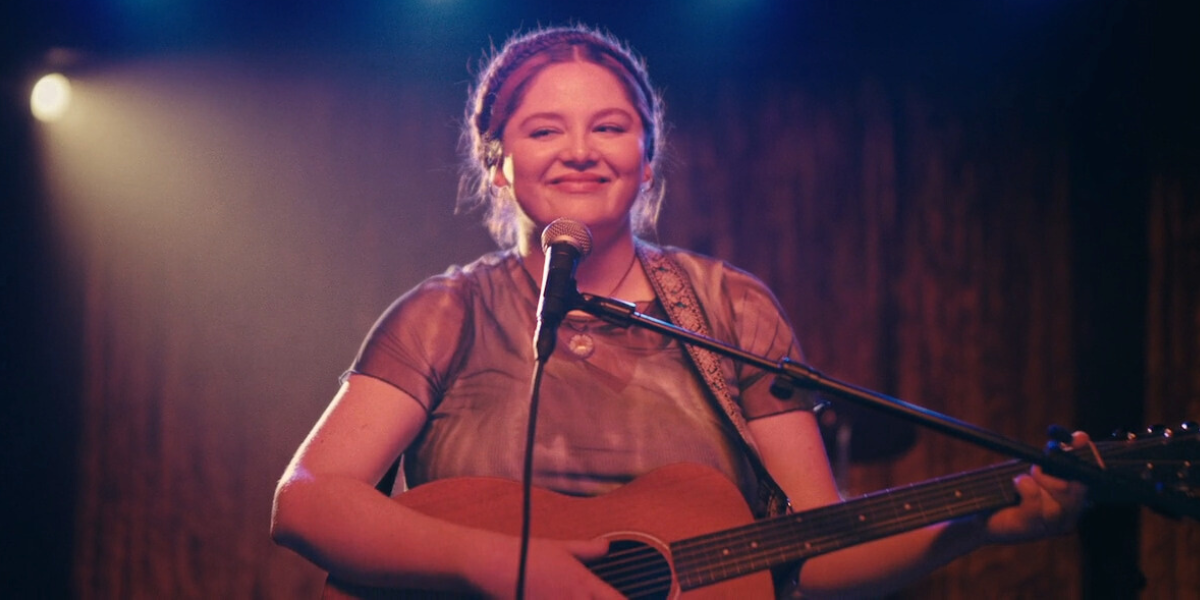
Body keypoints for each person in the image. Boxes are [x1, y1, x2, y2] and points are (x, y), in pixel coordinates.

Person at [271, 25, 1088, 599]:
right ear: (498, 163)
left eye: (612, 126)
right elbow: (306, 502)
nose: (581, 150)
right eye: (545, 128)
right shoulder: (446, 312)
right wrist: (499, 566)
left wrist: (975, 525)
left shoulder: (729, 309)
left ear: (647, 156)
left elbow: (818, 554)